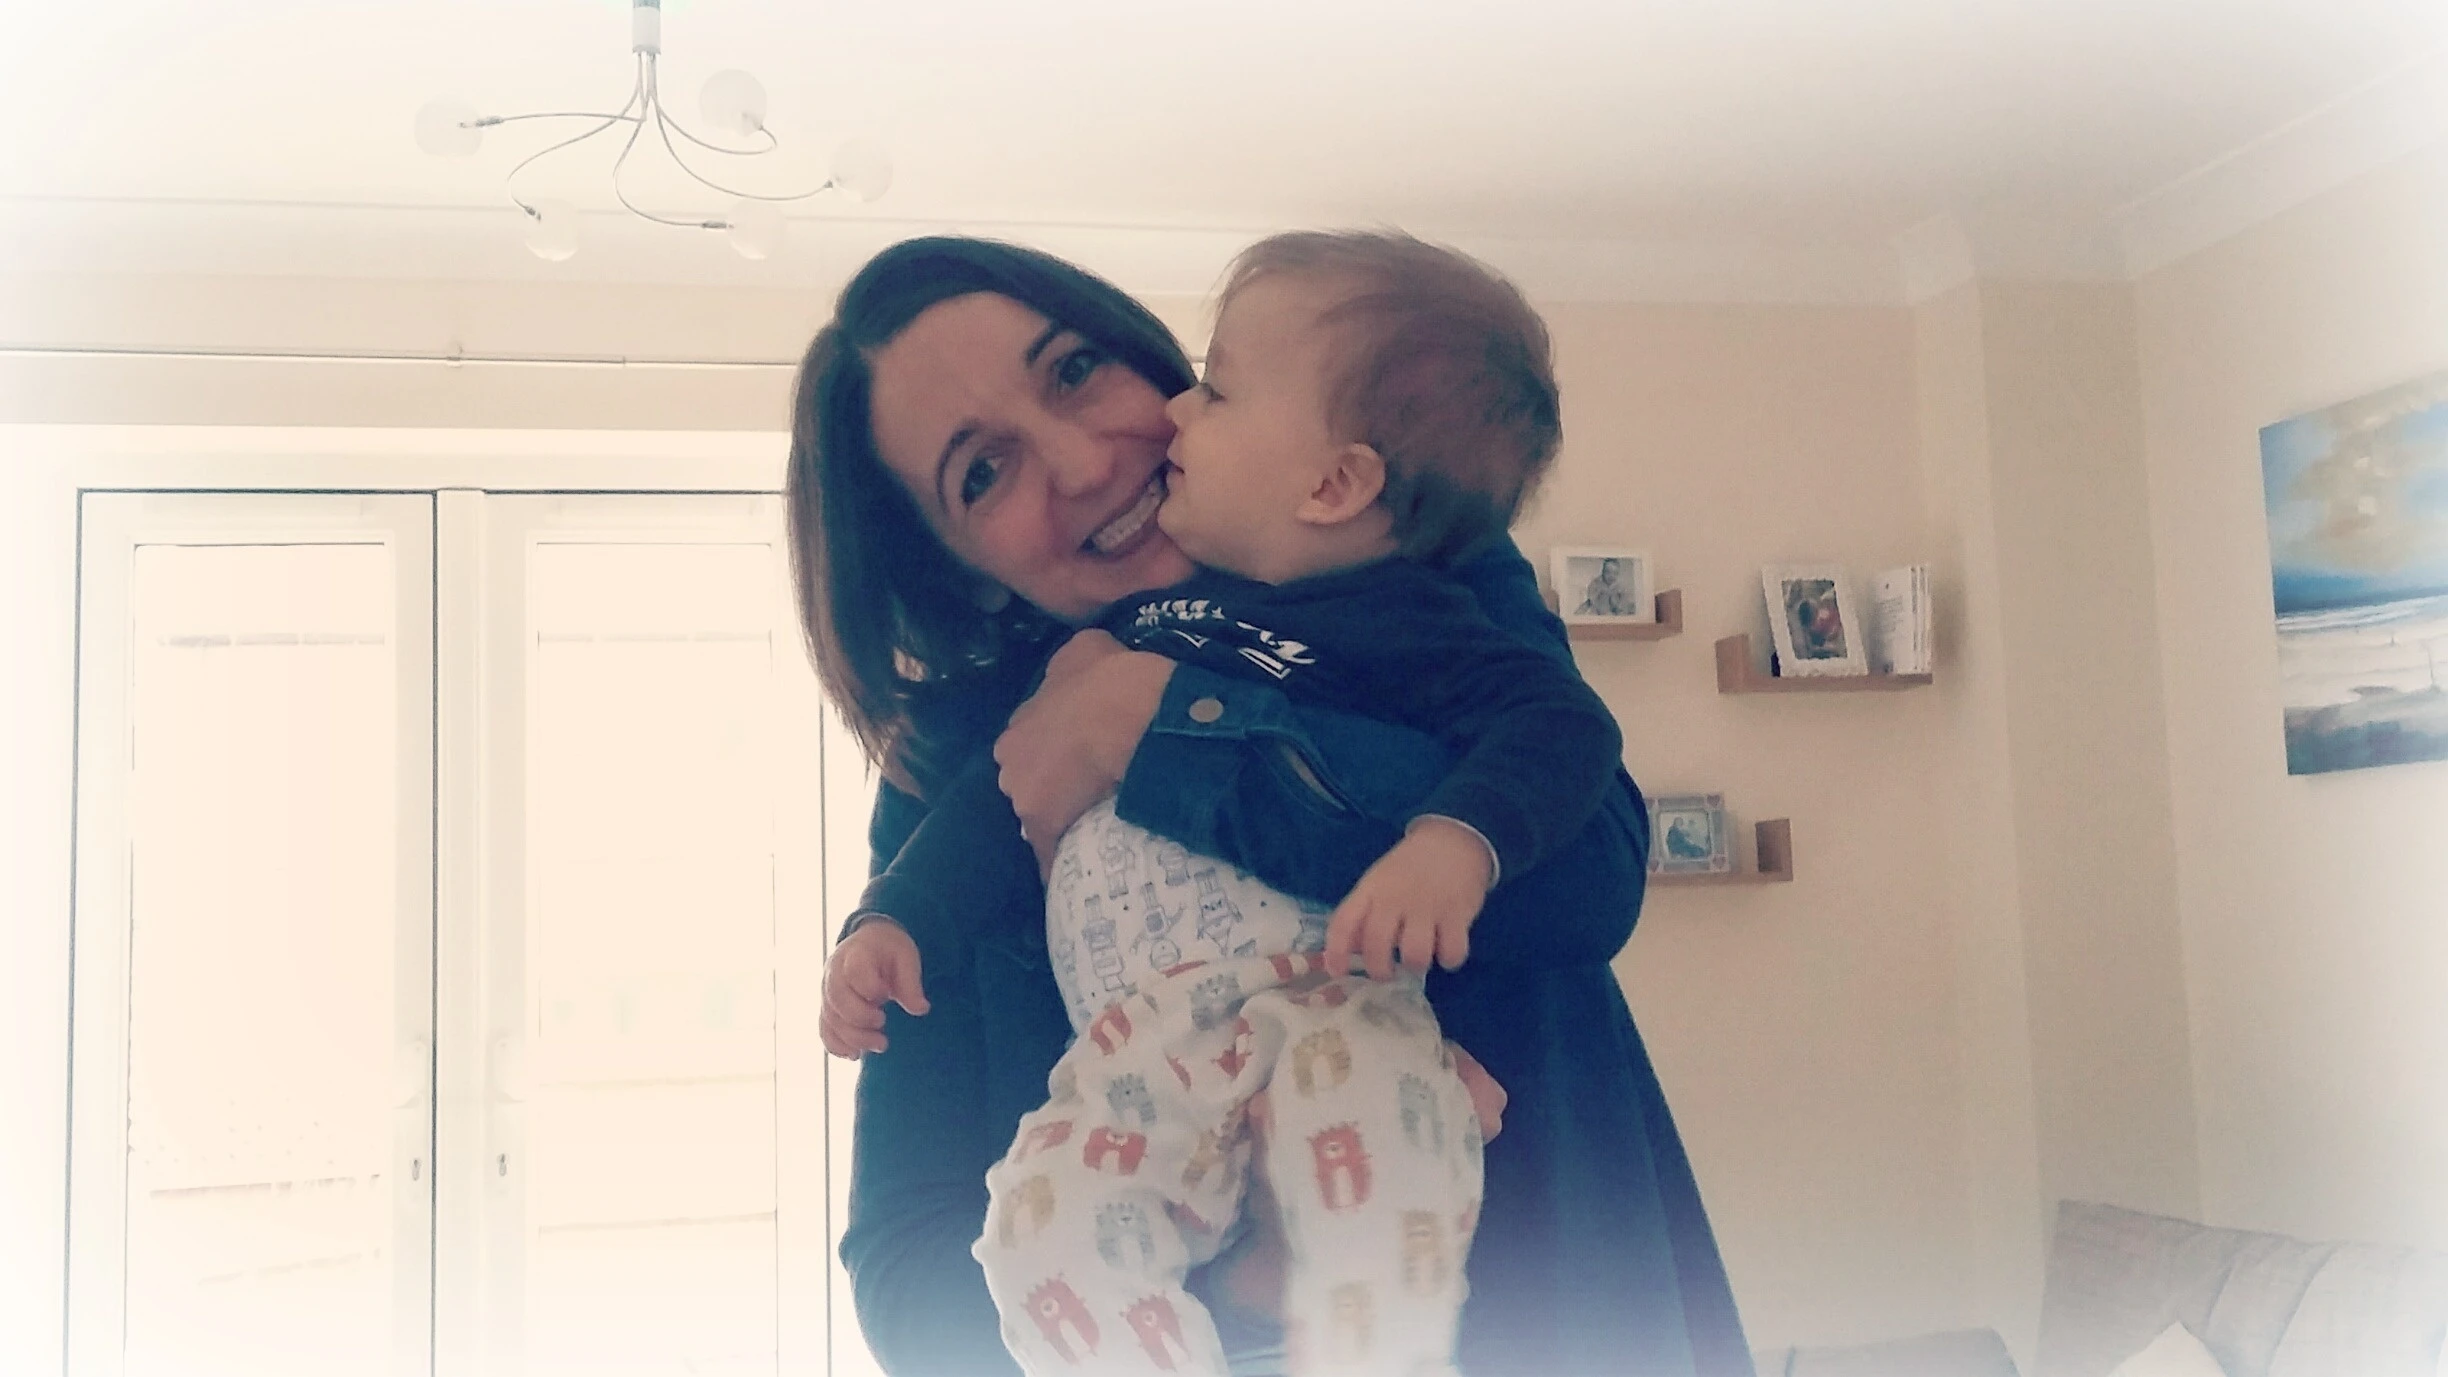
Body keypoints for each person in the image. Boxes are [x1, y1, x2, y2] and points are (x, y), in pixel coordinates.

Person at [785, 234, 1753, 1377]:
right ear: (958, 572)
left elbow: (1587, 875)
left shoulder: (1404, 564)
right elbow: (907, 1265)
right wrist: (1248, 1284)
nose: (1083, 463)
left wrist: (1163, 732)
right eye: (982, 473)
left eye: (1074, 371)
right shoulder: (956, 768)